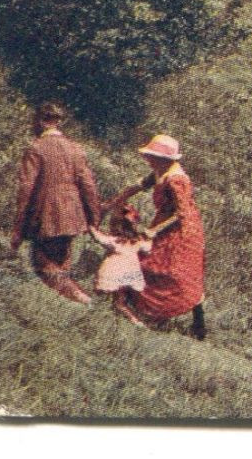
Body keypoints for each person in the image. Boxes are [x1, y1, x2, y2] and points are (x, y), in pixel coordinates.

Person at [9, 102, 101, 304]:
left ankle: (82, 300)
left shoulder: (36, 148)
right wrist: (94, 219)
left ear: (41, 121)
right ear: (58, 122)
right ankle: (73, 309)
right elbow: (89, 186)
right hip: (72, 215)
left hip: (47, 216)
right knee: (61, 264)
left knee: (44, 265)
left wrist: (18, 228)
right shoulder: (75, 149)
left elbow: (26, 189)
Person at [123, 135, 207, 339]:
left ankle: (198, 324)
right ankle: (148, 310)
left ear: (165, 159)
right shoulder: (161, 171)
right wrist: (115, 201)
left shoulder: (177, 180)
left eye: (153, 156)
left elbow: (181, 214)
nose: (149, 160)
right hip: (167, 224)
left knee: (177, 273)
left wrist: (154, 231)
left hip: (183, 230)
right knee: (154, 266)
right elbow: (140, 185)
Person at [88, 199, 152, 325]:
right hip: (129, 273)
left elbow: (98, 237)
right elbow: (149, 248)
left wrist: (90, 225)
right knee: (120, 302)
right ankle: (135, 321)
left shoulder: (115, 241)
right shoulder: (138, 242)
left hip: (112, 272)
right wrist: (150, 236)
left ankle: (95, 316)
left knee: (102, 297)